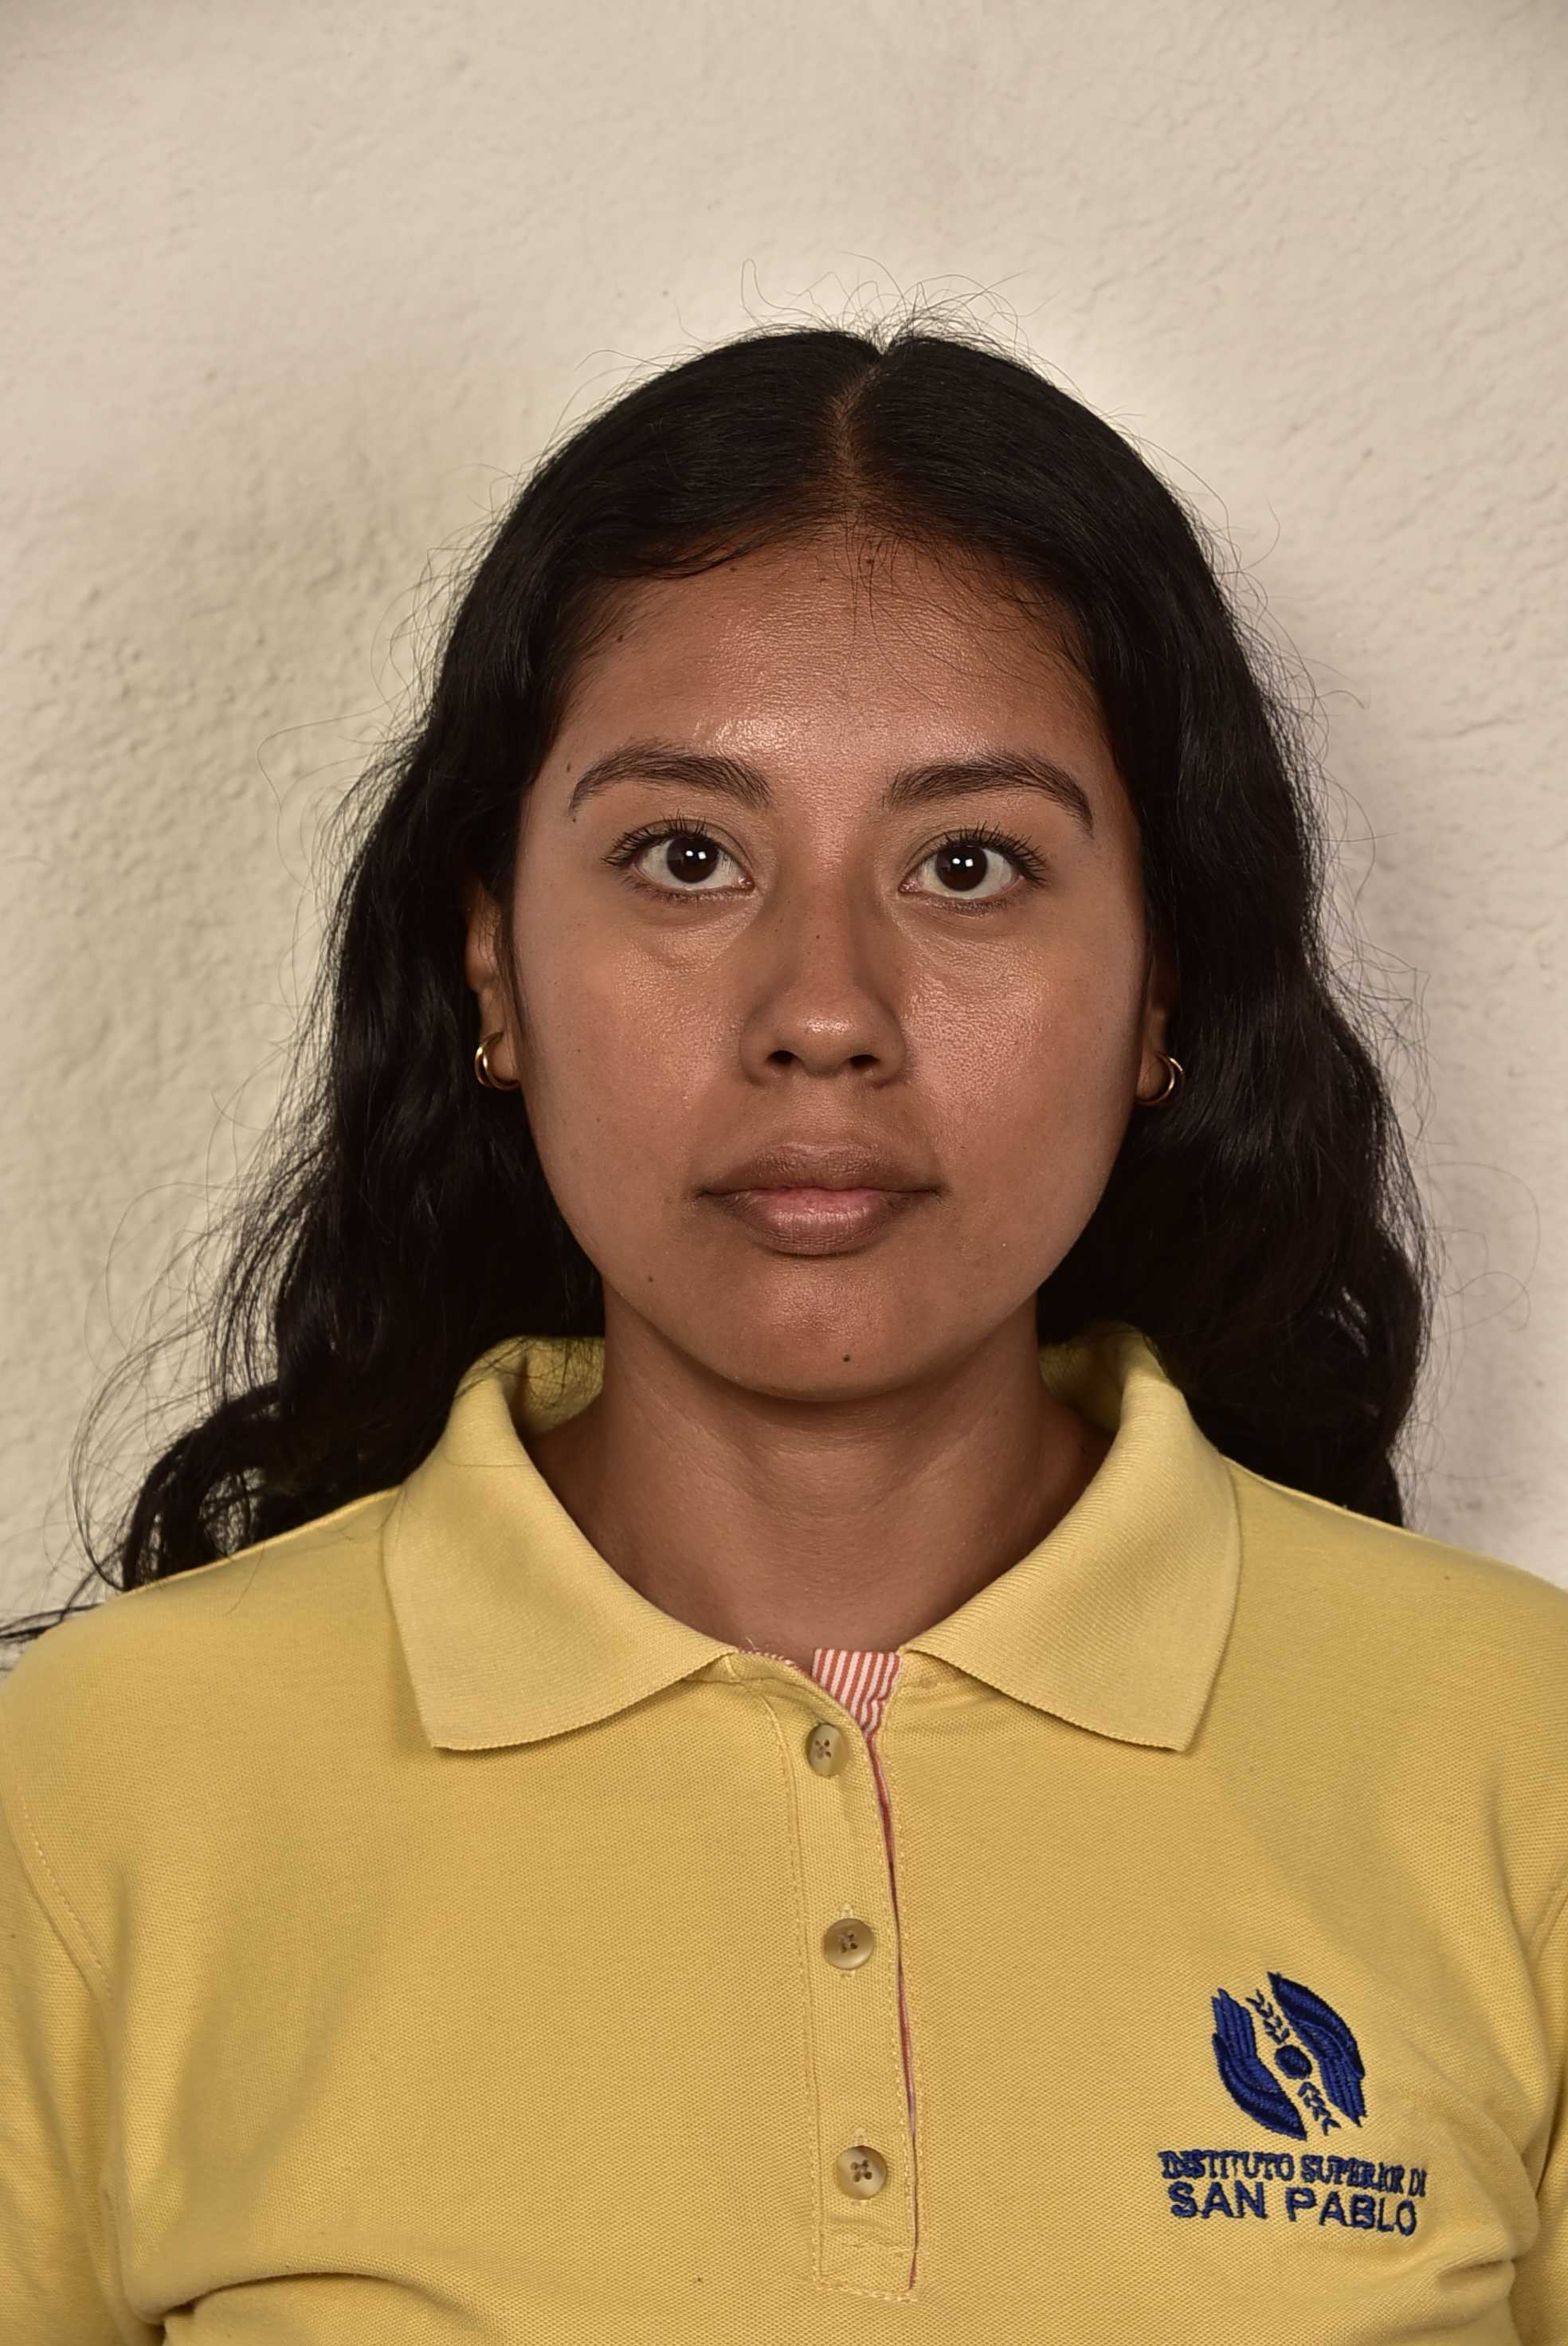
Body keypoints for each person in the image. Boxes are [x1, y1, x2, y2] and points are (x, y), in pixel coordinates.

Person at [2, 315, 1563, 2342]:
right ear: (492, 964)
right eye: (688, 857)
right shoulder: (88, 1789)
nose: (824, 1010)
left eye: (969, 864)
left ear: (1163, 983)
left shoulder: (1521, 1754)